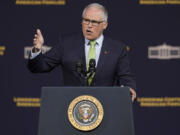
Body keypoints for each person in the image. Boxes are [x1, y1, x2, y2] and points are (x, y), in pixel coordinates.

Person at [28, 3, 137, 102]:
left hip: (104, 107)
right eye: (86, 20)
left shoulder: (117, 49)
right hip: (71, 107)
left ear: (104, 25)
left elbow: (125, 77)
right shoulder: (66, 45)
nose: (89, 25)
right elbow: (39, 67)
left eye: (94, 22)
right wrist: (36, 50)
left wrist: (129, 88)